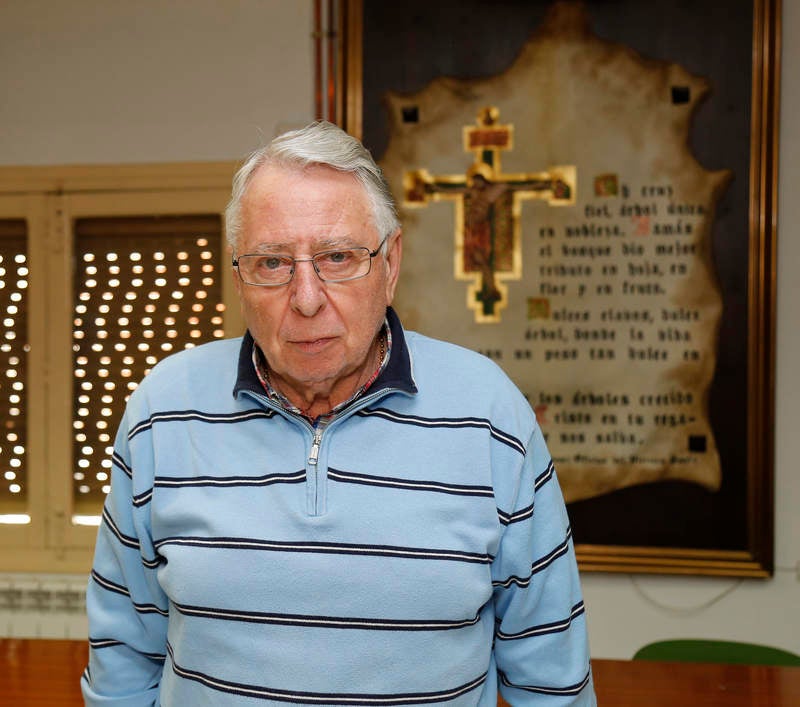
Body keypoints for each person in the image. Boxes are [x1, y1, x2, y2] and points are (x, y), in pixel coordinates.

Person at [82, 121, 595, 706]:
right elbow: (123, 659)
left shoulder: (490, 417)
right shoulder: (163, 410)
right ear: (239, 278)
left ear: (390, 262)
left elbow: (550, 679)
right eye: (272, 263)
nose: (305, 298)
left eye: (338, 257)